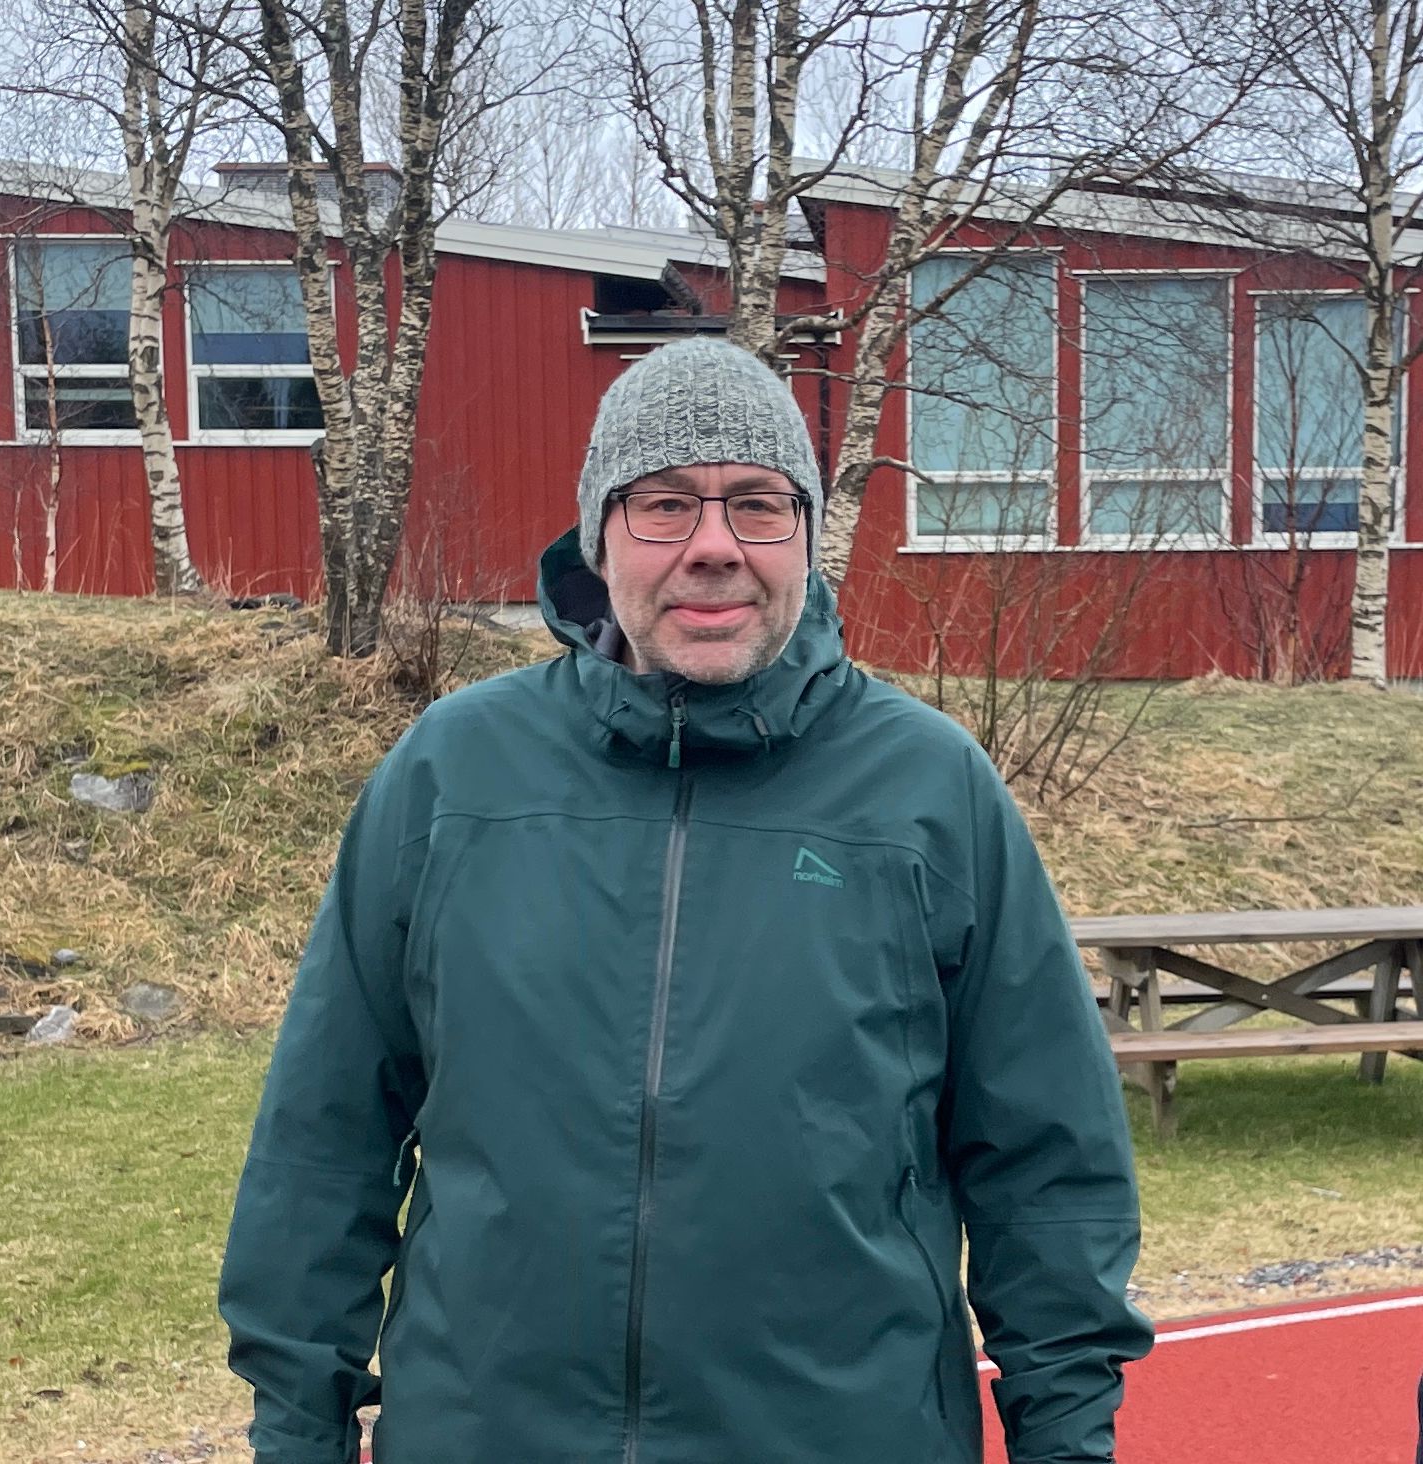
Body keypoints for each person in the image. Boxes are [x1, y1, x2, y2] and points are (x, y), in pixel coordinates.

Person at [218, 337, 1154, 1463]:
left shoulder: (928, 791)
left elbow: (1044, 1158)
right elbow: (324, 1139)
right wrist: (297, 1430)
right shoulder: (452, 777)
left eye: (757, 504)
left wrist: (1066, 1440)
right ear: (597, 536)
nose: (713, 547)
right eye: (663, 504)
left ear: (806, 535)